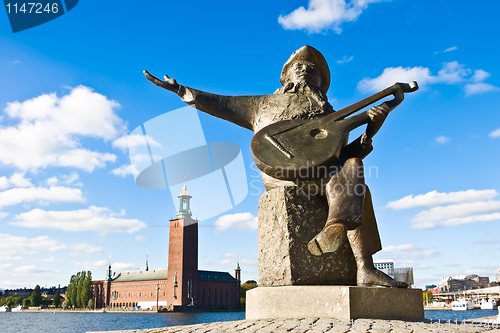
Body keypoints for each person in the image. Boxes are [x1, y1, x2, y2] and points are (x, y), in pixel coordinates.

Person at [144, 45, 408, 288]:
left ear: (321, 82)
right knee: (353, 184)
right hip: (280, 175)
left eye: (313, 70)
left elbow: (340, 156)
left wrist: (372, 127)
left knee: (353, 167)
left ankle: (362, 265)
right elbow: (219, 103)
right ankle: (344, 236)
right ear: (287, 75)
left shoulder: (329, 115)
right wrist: (182, 90)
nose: (306, 71)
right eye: (299, 67)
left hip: (320, 174)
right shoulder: (262, 105)